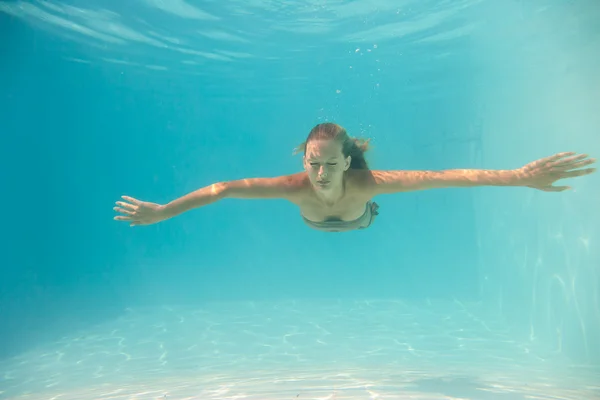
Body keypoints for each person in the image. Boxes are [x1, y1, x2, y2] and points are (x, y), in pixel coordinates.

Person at [113, 122, 596, 232]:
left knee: (366, 219)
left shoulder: (369, 184)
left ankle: (368, 220)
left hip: (360, 216)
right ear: (304, 161)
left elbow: (449, 176)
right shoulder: (292, 186)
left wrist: (520, 176)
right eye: (312, 163)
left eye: (329, 164)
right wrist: (162, 212)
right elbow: (221, 190)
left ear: (348, 162)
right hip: (313, 221)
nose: (320, 173)